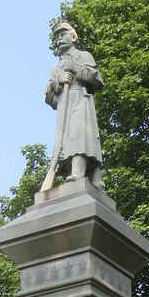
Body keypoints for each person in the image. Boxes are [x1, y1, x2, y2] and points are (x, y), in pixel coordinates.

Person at [41, 21, 105, 190]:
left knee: (79, 135)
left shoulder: (84, 56)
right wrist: (57, 81)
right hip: (64, 105)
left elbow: (96, 79)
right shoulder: (56, 68)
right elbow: (48, 96)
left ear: (73, 36)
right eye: (57, 37)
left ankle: (78, 172)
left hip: (80, 98)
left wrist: (75, 68)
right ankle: (82, 173)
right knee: (66, 140)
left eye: (63, 35)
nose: (59, 39)